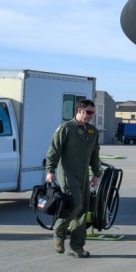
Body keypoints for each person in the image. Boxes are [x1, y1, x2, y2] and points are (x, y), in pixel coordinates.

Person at [45, 99, 102, 258]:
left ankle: (77, 247)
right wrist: (50, 170)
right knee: (75, 205)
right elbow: (54, 150)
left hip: (84, 175)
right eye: (88, 112)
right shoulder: (66, 129)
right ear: (79, 110)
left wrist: (96, 174)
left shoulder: (92, 131)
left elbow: (94, 154)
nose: (91, 116)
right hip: (68, 174)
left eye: (93, 113)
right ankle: (59, 231)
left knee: (83, 211)